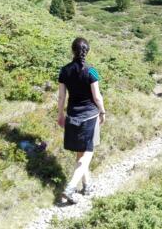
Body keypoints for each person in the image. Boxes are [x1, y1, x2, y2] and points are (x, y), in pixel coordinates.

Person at [56, 37, 106, 204]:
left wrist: (60, 115)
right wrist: (103, 112)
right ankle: (70, 187)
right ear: (87, 51)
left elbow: (62, 96)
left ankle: (87, 185)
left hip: (72, 115)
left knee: (80, 153)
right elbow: (97, 97)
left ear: (72, 51)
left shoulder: (64, 71)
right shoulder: (92, 71)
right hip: (90, 117)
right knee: (88, 153)